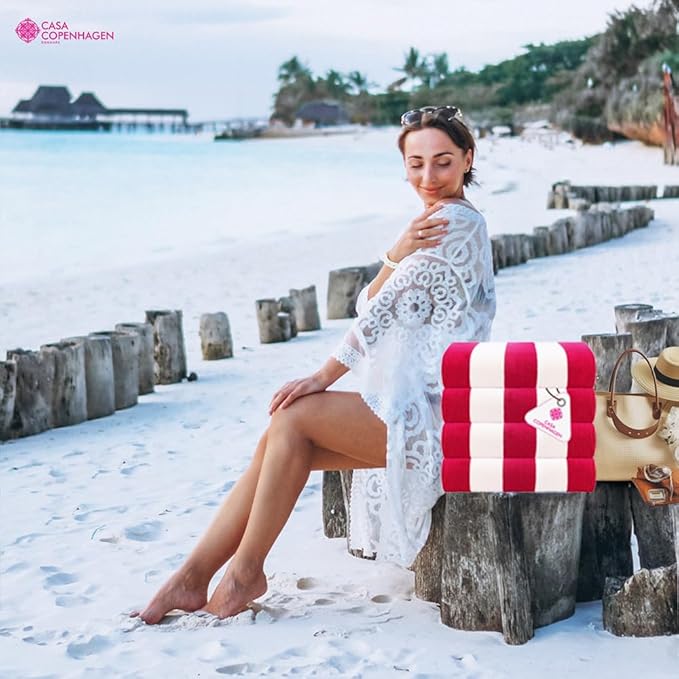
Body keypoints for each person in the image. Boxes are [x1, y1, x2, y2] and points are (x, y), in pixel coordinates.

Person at [132, 105, 497, 624]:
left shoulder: (454, 224)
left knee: (295, 416)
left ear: (467, 158)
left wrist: (321, 377)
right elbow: (372, 302)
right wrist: (394, 254)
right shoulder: (433, 222)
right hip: (422, 403)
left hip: (435, 416)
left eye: (442, 162)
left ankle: (238, 574)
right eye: (416, 164)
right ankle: (194, 578)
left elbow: (376, 315)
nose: (428, 177)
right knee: (280, 439)